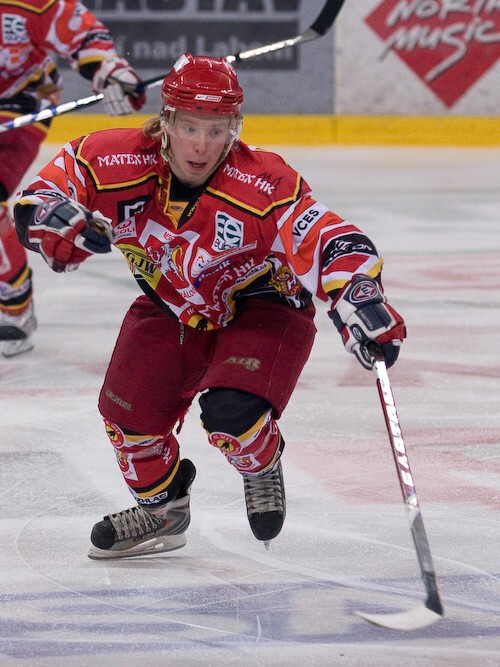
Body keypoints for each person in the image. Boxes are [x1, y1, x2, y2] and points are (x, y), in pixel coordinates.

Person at [13, 53, 406, 559]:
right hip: (172, 303)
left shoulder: (264, 182)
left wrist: (359, 294)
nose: (201, 145)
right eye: (190, 127)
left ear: (233, 129)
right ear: (166, 122)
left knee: (231, 417)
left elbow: (328, 236)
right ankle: (163, 511)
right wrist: (49, 215)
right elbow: (42, 194)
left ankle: (261, 463)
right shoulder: (111, 160)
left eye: (216, 130)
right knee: (127, 422)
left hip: (264, 304)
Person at [0, 0, 145, 357]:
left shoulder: (26, 4)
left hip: (18, 104)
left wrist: (109, 70)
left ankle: (15, 305)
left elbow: (80, 32)